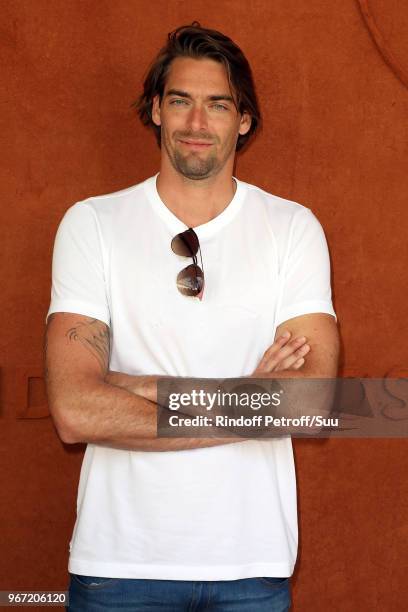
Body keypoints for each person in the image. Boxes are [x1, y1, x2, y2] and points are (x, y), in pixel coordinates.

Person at [45, 23, 339, 612]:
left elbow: (309, 401)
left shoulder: (292, 229)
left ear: (244, 120)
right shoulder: (92, 224)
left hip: (251, 566)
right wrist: (250, 401)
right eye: (180, 100)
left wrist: (131, 387)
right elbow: (75, 411)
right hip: (118, 568)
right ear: (156, 110)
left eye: (218, 104)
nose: (197, 123)